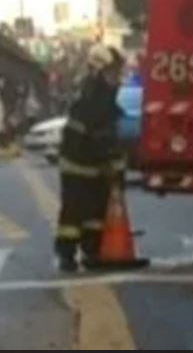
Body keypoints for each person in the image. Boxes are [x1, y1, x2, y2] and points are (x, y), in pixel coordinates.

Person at [55, 45, 125, 272]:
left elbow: (110, 138)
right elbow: (88, 137)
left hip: (96, 167)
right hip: (77, 166)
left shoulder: (106, 98)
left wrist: (115, 168)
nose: (116, 78)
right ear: (97, 72)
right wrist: (107, 158)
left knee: (96, 213)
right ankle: (66, 255)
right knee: (73, 215)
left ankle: (91, 251)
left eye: (117, 72)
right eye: (111, 72)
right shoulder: (88, 99)